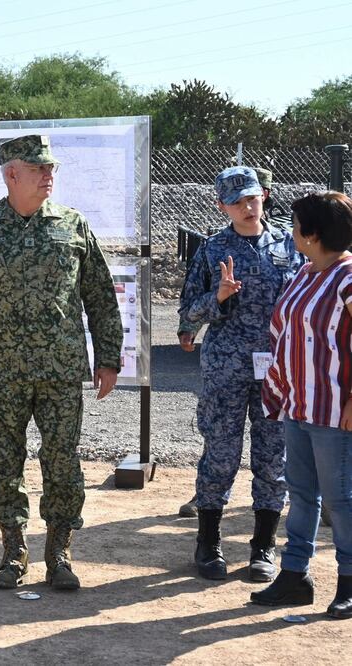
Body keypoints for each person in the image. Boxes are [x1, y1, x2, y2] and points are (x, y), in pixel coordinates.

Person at [0, 135, 123, 591]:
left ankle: (59, 552)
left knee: (62, 460)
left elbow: (100, 296)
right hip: (3, 372)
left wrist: (110, 357)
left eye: (51, 168)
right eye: (38, 169)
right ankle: (12, 550)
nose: (48, 176)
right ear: (11, 174)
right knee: (3, 462)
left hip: (60, 371)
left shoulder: (73, 225)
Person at [178, 166, 301, 582]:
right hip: (226, 368)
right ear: (222, 206)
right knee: (221, 454)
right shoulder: (213, 249)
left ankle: (263, 546)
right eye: (237, 202)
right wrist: (219, 296)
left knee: (273, 459)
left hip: (278, 369)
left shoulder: (290, 242)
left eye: (252, 198)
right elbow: (186, 315)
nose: (247, 207)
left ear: (265, 195)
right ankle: (208, 542)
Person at [254, 191, 352, 619]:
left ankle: (349, 581)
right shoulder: (304, 274)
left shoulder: (348, 277)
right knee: (302, 494)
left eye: (295, 224)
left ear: (311, 233)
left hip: (335, 411)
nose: (289, 230)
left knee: (341, 499)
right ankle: (295, 576)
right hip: (299, 406)